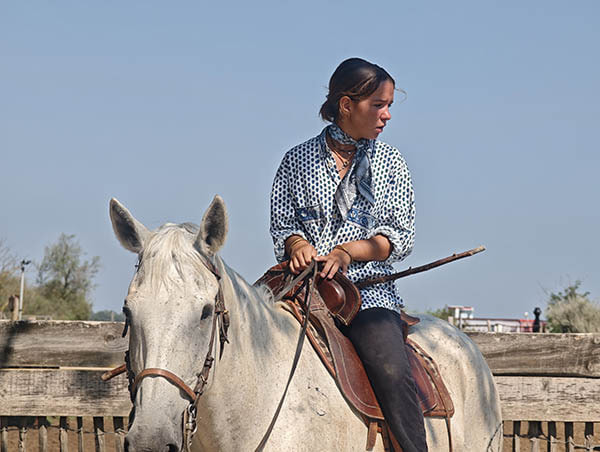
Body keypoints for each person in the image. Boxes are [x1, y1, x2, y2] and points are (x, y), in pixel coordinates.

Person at [269, 57, 427, 451]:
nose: (387, 115)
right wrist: (297, 245)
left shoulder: (391, 163)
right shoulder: (295, 161)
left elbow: (398, 237)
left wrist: (347, 252)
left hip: (366, 296)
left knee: (392, 371)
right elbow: (283, 224)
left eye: (389, 105)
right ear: (346, 105)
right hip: (303, 291)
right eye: (379, 105)